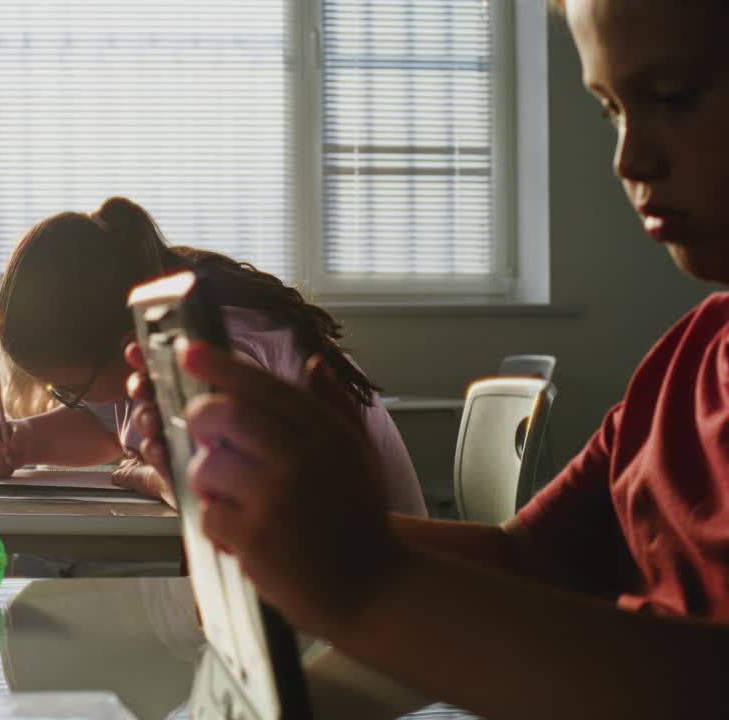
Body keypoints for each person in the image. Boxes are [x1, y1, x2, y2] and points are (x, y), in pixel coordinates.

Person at [124, 0, 729, 717]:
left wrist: (368, 588)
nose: (630, 158)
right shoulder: (684, 362)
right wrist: (292, 519)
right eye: (611, 111)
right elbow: (527, 559)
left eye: (674, 98)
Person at [0, 196, 427, 517]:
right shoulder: (137, 323)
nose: (66, 399)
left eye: (69, 390)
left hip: (378, 579)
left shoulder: (217, 349)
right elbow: (108, 426)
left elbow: (224, 493)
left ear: (123, 349)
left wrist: (147, 474)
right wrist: (23, 439)